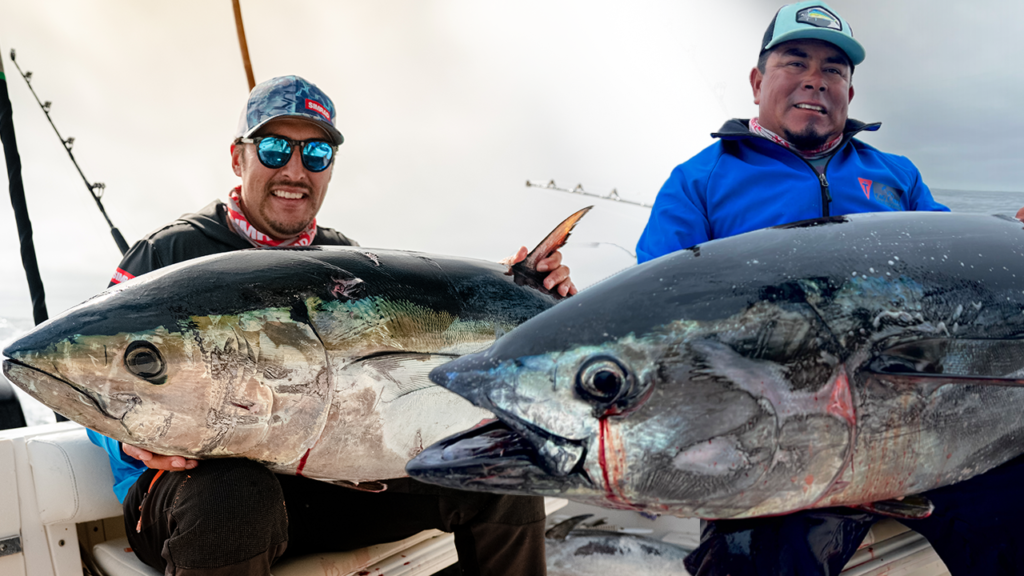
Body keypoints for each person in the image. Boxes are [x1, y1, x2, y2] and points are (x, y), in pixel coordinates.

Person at [89, 75, 576, 576]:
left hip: (326, 481)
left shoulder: (344, 258)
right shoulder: (169, 254)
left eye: (315, 154)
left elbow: (403, 359)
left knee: (498, 469)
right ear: (238, 158)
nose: (295, 170)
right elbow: (86, 370)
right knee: (235, 494)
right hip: (188, 497)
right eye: (276, 149)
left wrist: (516, 296)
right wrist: (123, 438)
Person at [637, 2, 1024, 575]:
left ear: (849, 89)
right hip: (782, 443)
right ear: (756, 80)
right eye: (795, 61)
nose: (816, 79)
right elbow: (653, 319)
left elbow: (960, 284)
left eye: (834, 70)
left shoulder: (897, 175)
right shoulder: (700, 181)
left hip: (928, 427)